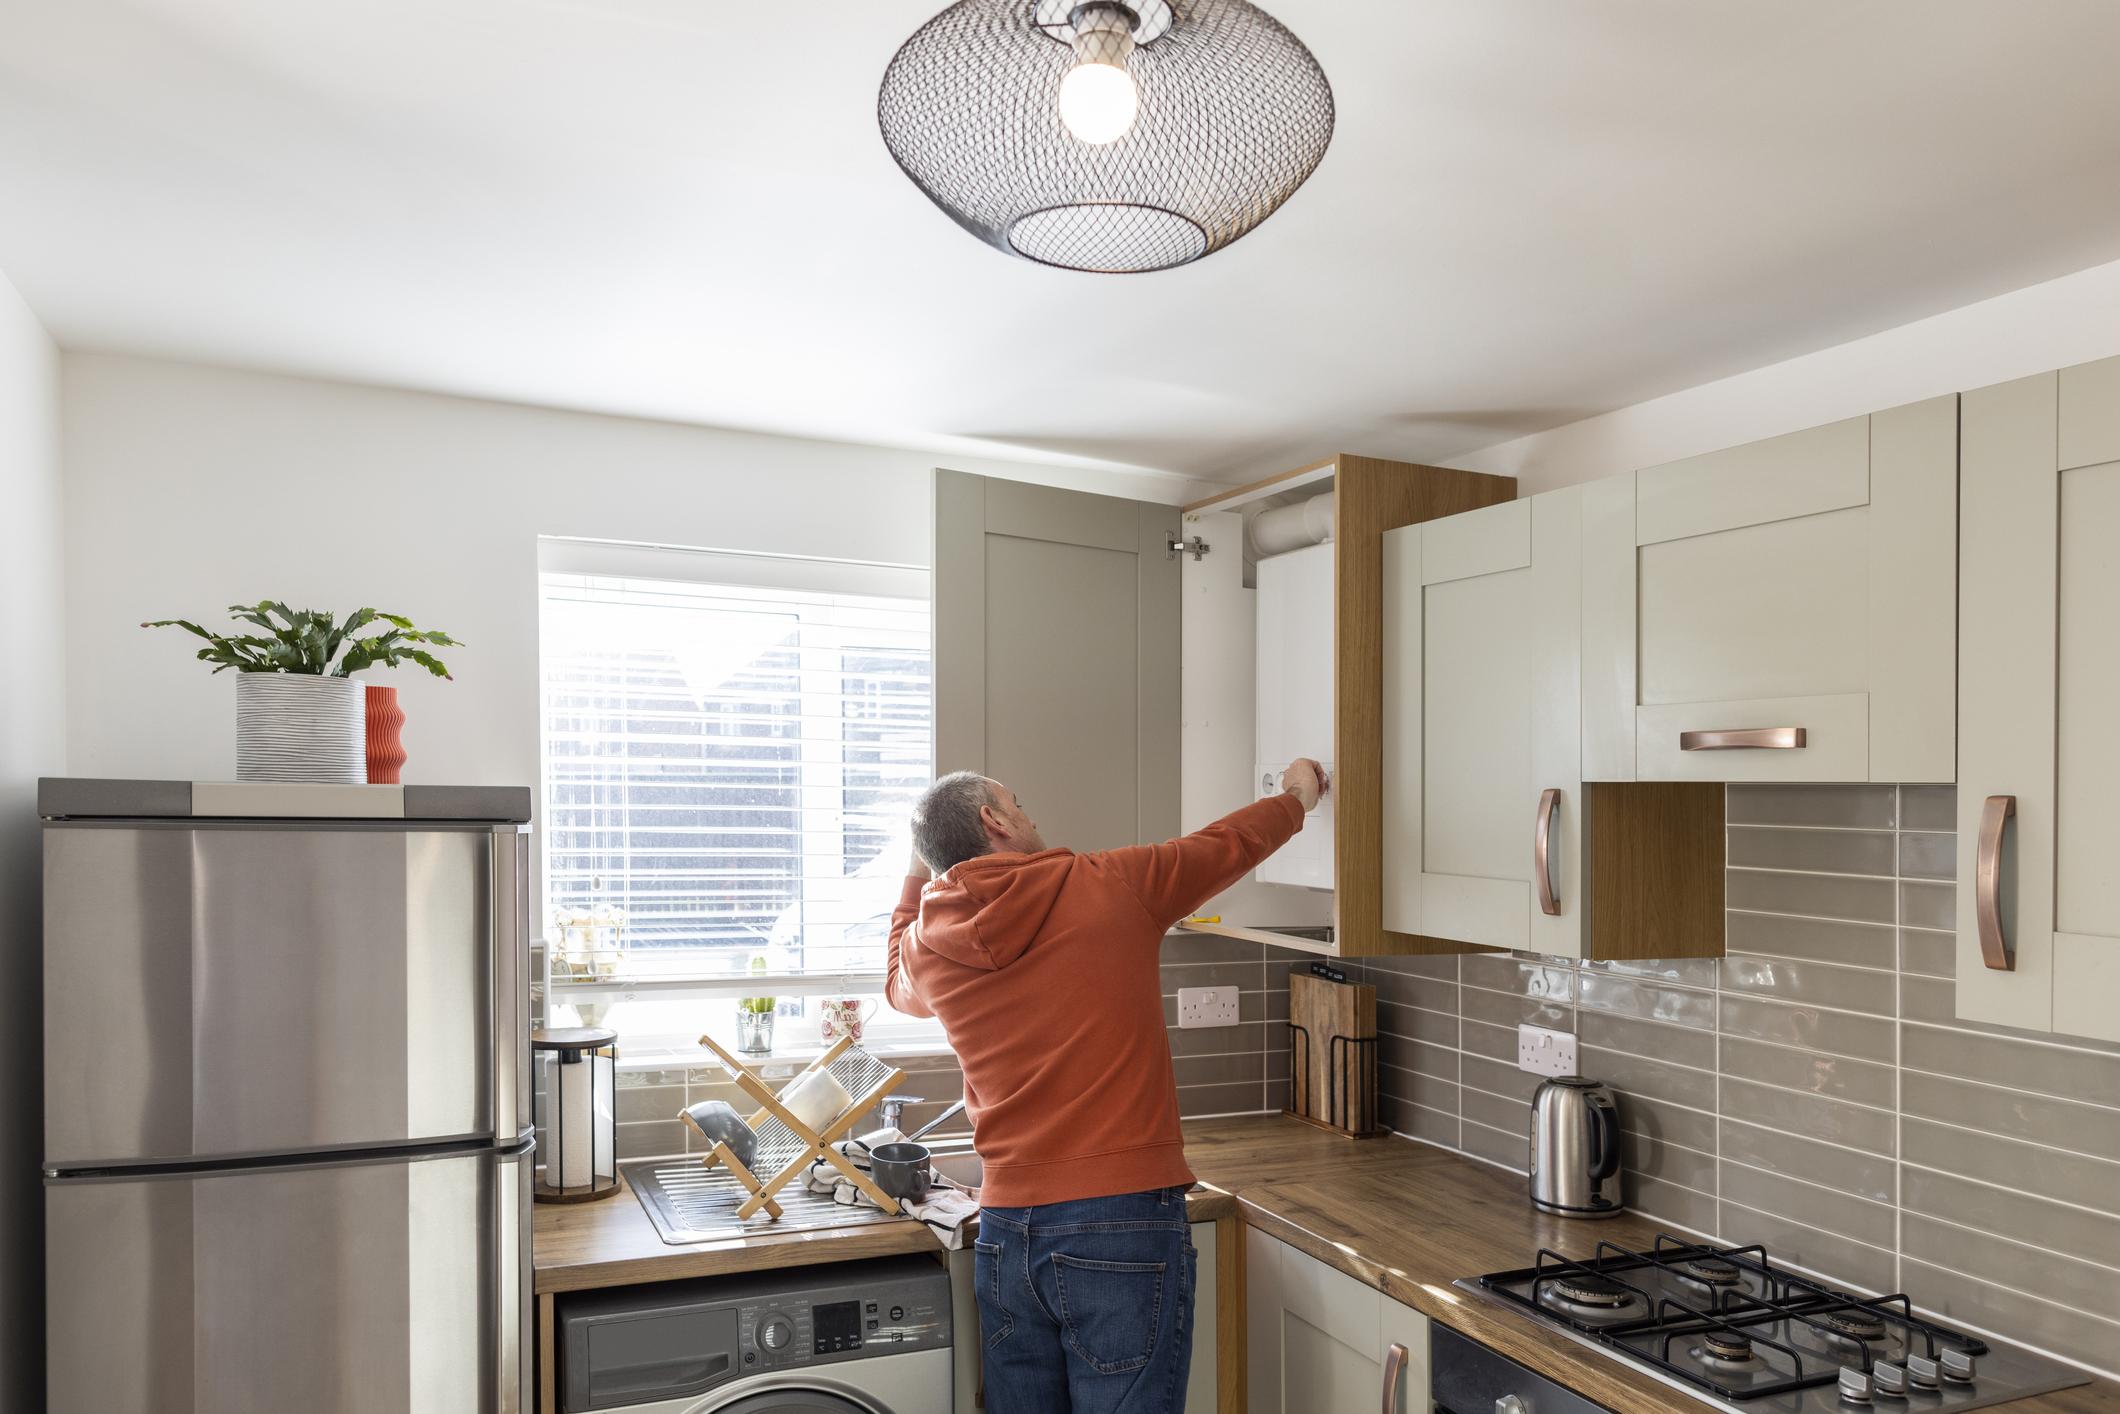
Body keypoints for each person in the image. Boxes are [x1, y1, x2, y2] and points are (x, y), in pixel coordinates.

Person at [886, 761, 1326, 1414]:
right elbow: (1226, 846)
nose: (1027, 812)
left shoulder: (928, 947)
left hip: (1007, 1234)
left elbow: (893, 974)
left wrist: (921, 863)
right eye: (1018, 801)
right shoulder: (1113, 884)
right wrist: (1297, 796)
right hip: (1120, 1223)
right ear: (995, 822)